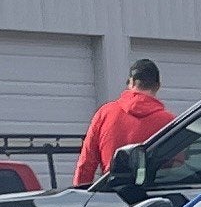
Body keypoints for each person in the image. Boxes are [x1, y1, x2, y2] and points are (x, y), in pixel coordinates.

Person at [75, 56, 175, 187]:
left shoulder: (105, 113)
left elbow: (86, 164)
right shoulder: (168, 121)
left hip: (111, 195)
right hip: (152, 198)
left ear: (131, 83)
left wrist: (80, 196)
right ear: (157, 86)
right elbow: (176, 165)